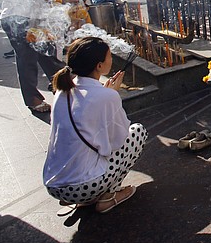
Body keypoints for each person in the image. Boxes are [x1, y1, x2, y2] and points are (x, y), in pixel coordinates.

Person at [43, 37, 148, 213]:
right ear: (99, 66)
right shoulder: (106, 96)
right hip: (81, 187)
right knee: (137, 132)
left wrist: (107, 94)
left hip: (54, 184)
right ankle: (109, 196)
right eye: (109, 56)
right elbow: (118, 140)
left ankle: (90, 197)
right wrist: (111, 96)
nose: (112, 59)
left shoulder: (62, 90)